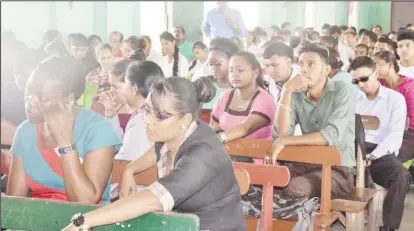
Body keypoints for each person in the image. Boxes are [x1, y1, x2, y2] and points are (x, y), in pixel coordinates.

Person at [62, 77, 246, 231]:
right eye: (147, 110)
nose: (148, 121)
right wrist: (130, 169)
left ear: (185, 119)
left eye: (160, 116)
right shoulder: (173, 135)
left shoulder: (204, 154)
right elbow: (156, 150)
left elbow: (152, 200)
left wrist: (83, 221)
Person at [6, 56, 121, 204]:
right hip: (38, 218)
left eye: (42, 98)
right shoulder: (26, 130)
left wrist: (66, 143)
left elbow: (85, 202)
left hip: (85, 221)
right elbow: (14, 202)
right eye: (29, 93)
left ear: (68, 99)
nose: (31, 103)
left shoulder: (97, 129)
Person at [270, 43, 356, 199]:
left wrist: (285, 141)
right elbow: (281, 134)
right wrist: (287, 92)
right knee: (269, 181)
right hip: (305, 163)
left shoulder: (343, 90)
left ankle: (299, 222)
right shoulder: (296, 94)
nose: (304, 69)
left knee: (295, 188)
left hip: (338, 170)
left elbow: (331, 135)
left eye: (311, 64)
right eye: (301, 64)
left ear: (326, 70)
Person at [349, 56, 411, 231]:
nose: (360, 85)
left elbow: (395, 135)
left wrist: (372, 157)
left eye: (364, 79)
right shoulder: (353, 98)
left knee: (401, 175)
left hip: (380, 151)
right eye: (356, 81)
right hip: (354, 148)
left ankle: (389, 227)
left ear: (376, 73)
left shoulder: (395, 99)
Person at [104, 60, 164, 199]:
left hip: (135, 194)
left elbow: (119, 165)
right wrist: (111, 114)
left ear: (134, 88)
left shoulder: (142, 121)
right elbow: (120, 144)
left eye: (125, 83)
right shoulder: (146, 114)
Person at [211, 51, 276, 164]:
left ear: (255, 73)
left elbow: (245, 128)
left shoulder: (265, 100)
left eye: (240, 70)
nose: (234, 74)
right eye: (231, 70)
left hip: (256, 160)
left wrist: (219, 138)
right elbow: (214, 127)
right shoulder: (224, 97)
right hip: (227, 156)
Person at [373, 51, 414, 165]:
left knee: (389, 155)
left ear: (390, 65)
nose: (374, 69)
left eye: (378, 65)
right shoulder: (378, 85)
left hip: (409, 133)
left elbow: (411, 121)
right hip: (384, 129)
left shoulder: (409, 87)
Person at [1, 48, 43, 127]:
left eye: (24, 74)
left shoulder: (44, 94)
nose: (19, 79)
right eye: (16, 73)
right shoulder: (8, 90)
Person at [200, 38, 237, 112]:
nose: (213, 68)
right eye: (211, 64)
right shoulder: (203, 86)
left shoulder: (241, 90)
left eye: (218, 64)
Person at [79, 43, 116, 110]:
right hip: (94, 112)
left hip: (112, 111)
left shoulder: (118, 74)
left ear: (113, 57)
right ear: (97, 58)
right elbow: (88, 99)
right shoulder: (91, 75)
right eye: (103, 58)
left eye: (109, 57)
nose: (106, 61)